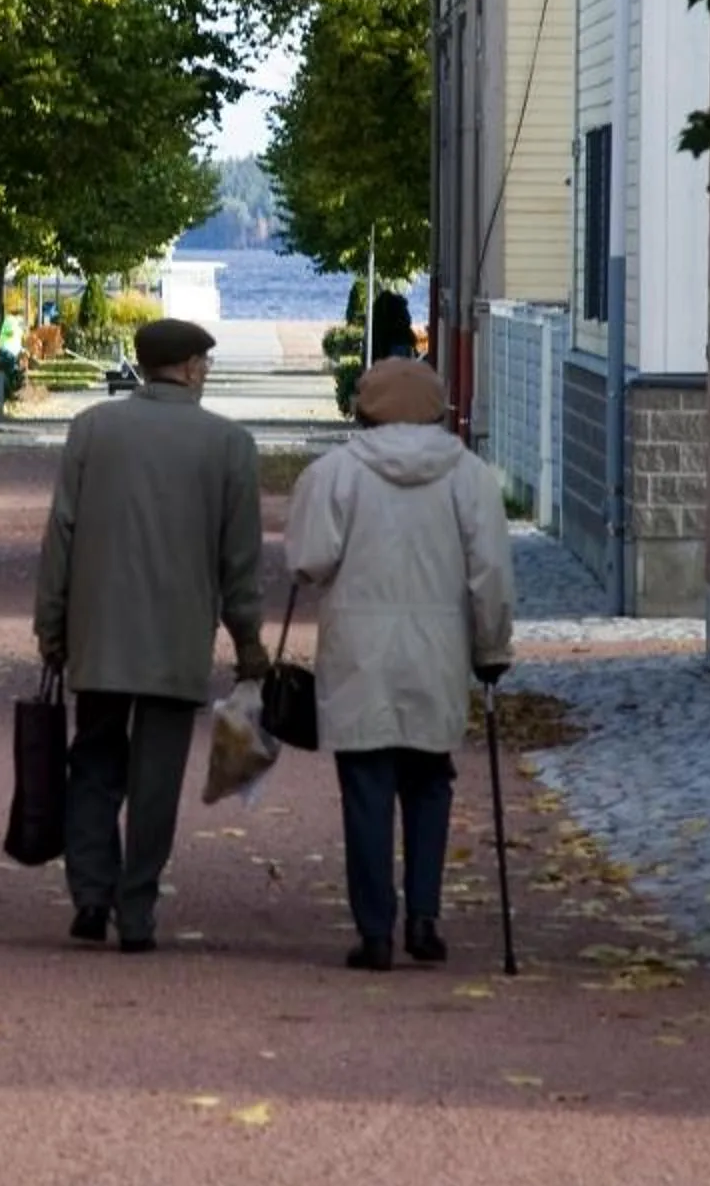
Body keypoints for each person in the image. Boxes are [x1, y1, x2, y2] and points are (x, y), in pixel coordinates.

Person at [34, 317, 268, 953]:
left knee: (94, 762)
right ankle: (135, 910)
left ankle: (90, 891)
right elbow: (239, 559)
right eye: (206, 365)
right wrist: (248, 639)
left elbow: (62, 533)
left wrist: (50, 622)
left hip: (99, 632)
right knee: (157, 778)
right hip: (176, 637)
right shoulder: (228, 445)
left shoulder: (92, 429)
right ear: (190, 367)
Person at [284, 356, 514, 972]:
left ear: (366, 408)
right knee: (430, 781)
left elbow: (308, 561)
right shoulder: (469, 476)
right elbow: (490, 575)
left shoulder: (336, 473)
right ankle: (425, 917)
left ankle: (375, 929)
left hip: (358, 649)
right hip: (437, 648)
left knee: (365, 786)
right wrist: (493, 650)